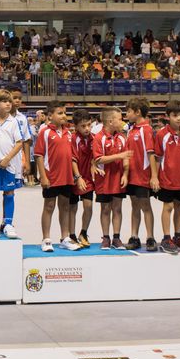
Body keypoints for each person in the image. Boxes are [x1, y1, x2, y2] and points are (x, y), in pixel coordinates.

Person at [153, 100, 180, 255]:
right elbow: (157, 157)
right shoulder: (162, 135)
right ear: (167, 116)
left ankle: (177, 236)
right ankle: (166, 238)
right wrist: (154, 177)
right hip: (167, 178)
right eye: (175, 115)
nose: (179, 118)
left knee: (179, 207)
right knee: (168, 207)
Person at [0, 89, 24, 239]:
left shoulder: (14, 121)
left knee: (9, 193)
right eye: (4, 101)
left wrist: (7, 159)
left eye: (9, 101)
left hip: (9, 165)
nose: (9, 103)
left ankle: (8, 223)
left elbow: (19, 143)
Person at [35, 103, 76, 251]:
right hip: (51, 176)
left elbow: (71, 157)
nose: (63, 116)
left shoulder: (69, 133)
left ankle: (65, 238)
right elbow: (39, 155)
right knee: (49, 206)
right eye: (59, 113)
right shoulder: (45, 132)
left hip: (66, 177)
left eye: (64, 113)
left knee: (64, 207)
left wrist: (75, 175)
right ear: (50, 116)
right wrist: (43, 176)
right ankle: (46, 238)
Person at [92, 107, 130, 249]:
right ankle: (106, 237)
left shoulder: (122, 137)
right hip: (104, 180)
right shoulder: (98, 138)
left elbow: (126, 158)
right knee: (105, 209)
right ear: (110, 121)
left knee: (118, 209)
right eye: (120, 119)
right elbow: (98, 159)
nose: (122, 121)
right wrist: (118, 156)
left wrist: (125, 174)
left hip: (118, 179)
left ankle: (117, 237)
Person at [124, 97, 158, 252]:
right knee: (134, 206)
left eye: (129, 111)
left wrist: (154, 176)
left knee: (145, 206)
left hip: (143, 175)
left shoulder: (147, 129)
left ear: (137, 112)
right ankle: (134, 237)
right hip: (132, 175)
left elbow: (151, 154)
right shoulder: (132, 130)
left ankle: (150, 238)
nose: (126, 114)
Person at [69, 110, 96, 247]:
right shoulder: (73, 139)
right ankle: (72, 235)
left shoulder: (94, 138)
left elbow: (96, 158)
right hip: (74, 178)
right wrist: (77, 177)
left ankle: (83, 232)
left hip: (88, 179)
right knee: (72, 208)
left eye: (89, 125)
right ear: (76, 126)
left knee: (88, 206)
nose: (87, 129)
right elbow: (73, 160)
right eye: (83, 126)